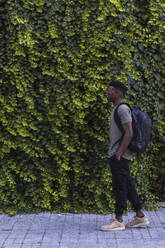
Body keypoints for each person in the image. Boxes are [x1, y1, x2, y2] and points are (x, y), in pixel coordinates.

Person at [101, 81, 149, 231]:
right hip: (118, 153)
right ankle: (140, 217)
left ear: (119, 94)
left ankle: (119, 220)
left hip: (119, 154)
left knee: (119, 187)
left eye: (111, 91)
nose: (107, 93)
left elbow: (129, 133)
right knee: (127, 185)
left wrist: (119, 153)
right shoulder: (117, 109)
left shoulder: (122, 109)